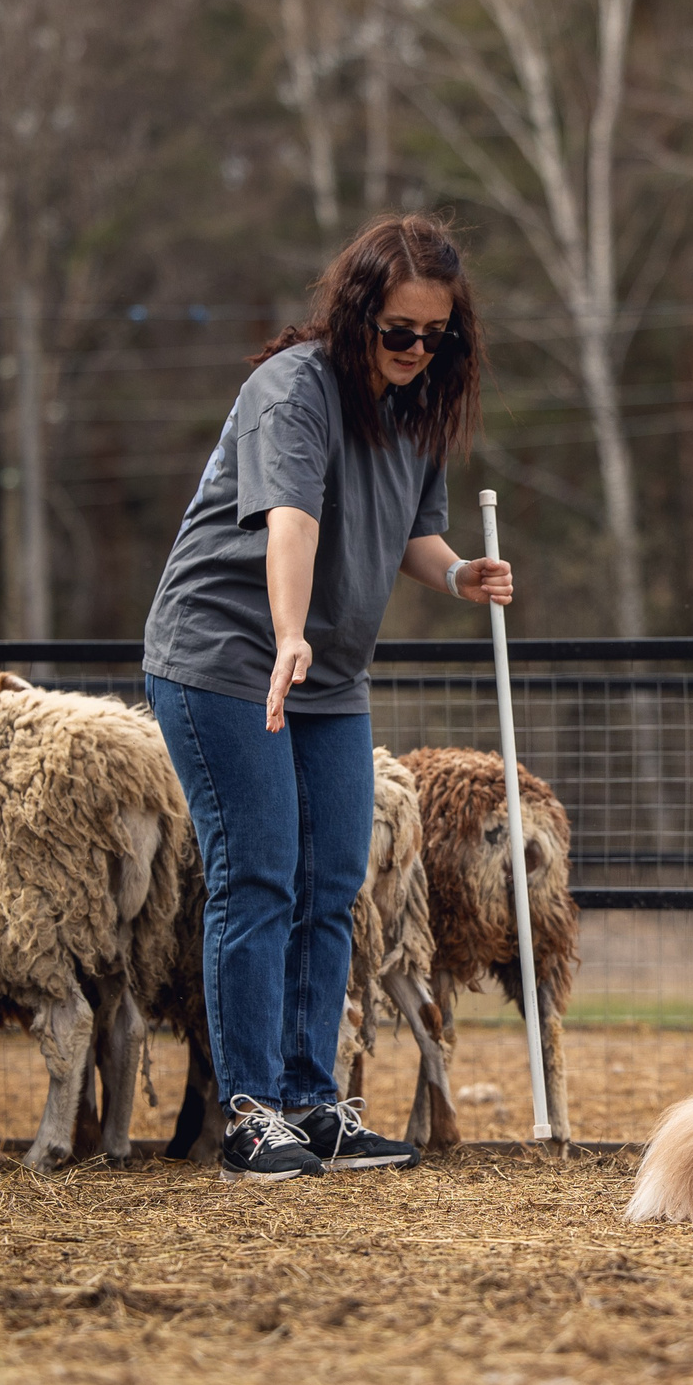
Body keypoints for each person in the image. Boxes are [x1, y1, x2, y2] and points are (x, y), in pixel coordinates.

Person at [142, 214, 512, 1182]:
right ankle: (252, 1113)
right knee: (257, 875)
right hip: (227, 657)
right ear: (356, 319)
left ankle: (315, 1103)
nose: (417, 351)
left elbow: (409, 535)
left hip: (329, 678)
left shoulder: (414, 407)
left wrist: (459, 574)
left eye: (438, 337)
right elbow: (292, 523)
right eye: (399, 333)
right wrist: (291, 630)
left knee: (332, 883)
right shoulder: (291, 389)